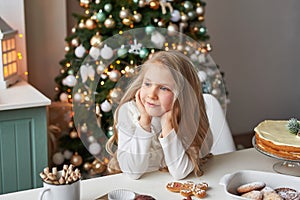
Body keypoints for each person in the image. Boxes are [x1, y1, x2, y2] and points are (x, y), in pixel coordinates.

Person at [105, 50, 213, 180]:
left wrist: (167, 125)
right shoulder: (128, 112)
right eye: (147, 84)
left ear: (182, 96)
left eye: (163, 88)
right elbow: (132, 172)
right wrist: (144, 122)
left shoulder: (185, 117)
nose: (151, 94)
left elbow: (180, 172)